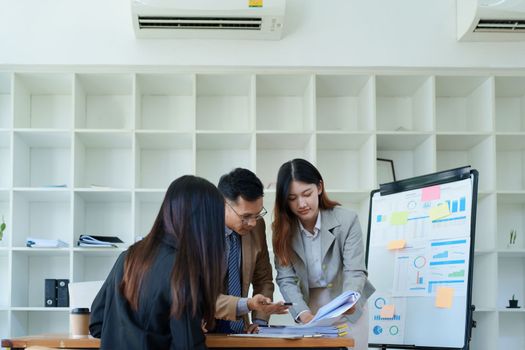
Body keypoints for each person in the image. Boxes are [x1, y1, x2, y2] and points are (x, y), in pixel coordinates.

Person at [89, 175, 226, 349]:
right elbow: (188, 346)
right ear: (206, 223)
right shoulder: (182, 271)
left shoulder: (128, 256)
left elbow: (97, 323)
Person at [272, 159, 375, 350]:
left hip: (348, 304)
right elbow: (286, 278)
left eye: (307, 194)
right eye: (292, 198)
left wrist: (348, 300)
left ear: (319, 187)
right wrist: (303, 313)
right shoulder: (282, 231)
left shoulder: (347, 220)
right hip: (310, 308)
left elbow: (355, 270)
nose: (301, 204)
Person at [213, 168, 289, 334]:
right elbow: (197, 294)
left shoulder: (256, 227)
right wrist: (248, 304)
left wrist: (260, 321)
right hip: (204, 327)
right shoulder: (200, 231)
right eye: (246, 216)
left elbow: (263, 279)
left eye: (257, 214)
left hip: (242, 329)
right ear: (222, 204)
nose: (252, 223)